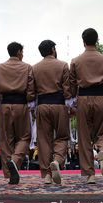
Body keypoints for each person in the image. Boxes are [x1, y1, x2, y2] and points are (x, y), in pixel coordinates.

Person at [69, 28, 103, 184]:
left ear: (83, 41)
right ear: (96, 40)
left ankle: (90, 174)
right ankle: (102, 151)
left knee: (84, 137)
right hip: (100, 96)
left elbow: (72, 85)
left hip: (83, 98)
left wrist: (73, 102)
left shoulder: (75, 61)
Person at [0, 42, 35, 184]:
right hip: (21, 104)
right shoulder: (27, 67)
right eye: (22, 52)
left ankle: (9, 173)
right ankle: (15, 162)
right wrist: (30, 103)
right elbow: (30, 90)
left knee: (5, 140)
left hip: (5, 105)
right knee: (24, 137)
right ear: (18, 52)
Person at [32, 40, 71, 184]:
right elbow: (67, 89)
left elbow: (31, 91)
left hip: (42, 105)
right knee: (62, 137)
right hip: (59, 105)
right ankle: (57, 161)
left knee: (43, 140)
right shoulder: (63, 65)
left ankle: (47, 175)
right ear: (53, 49)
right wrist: (70, 104)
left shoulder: (34, 68)